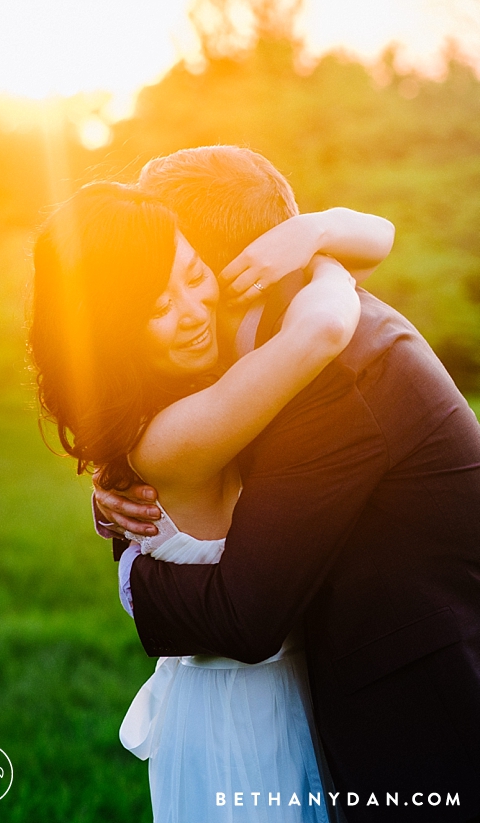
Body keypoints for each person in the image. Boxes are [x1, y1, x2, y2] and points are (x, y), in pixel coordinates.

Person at [95, 146, 480, 823]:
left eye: (175, 264)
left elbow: (245, 616)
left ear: (231, 272)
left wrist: (134, 568)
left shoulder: (329, 376)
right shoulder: (279, 339)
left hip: (428, 720)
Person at [29, 171, 394, 823]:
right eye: (158, 308)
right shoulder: (173, 436)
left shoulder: (176, 400)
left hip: (279, 694)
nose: (196, 311)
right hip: (240, 716)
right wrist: (327, 266)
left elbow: (383, 235)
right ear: (112, 335)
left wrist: (311, 229)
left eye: (196, 276)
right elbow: (320, 333)